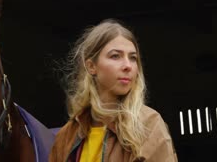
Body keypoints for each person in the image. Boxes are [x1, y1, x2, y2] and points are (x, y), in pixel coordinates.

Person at [49, 19, 177, 162]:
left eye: (133, 58)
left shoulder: (148, 124)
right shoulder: (66, 136)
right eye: (115, 56)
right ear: (91, 66)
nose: (128, 66)